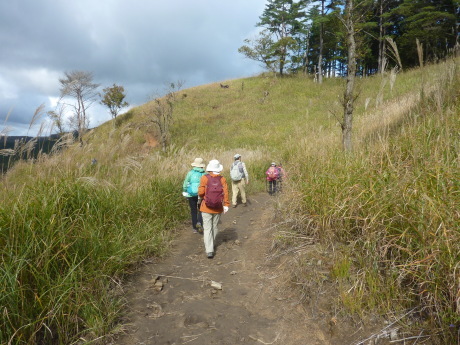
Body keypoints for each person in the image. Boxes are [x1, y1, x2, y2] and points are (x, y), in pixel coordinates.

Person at [198, 159, 229, 259]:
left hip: (206, 207)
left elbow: (200, 193)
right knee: (214, 226)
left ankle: (209, 250)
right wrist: (226, 205)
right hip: (218, 207)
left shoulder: (204, 178)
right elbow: (226, 193)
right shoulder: (222, 179)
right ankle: (212, 243)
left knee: (207, 229)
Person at [182, 157, 206, 233]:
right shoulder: (204, 174)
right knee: (201, 210)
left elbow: (185, 183)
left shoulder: (190, 173)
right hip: (201, 194)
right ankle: (200, 223)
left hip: (191, 194)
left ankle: (194, 228)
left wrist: (185, 190)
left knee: (193, 210)